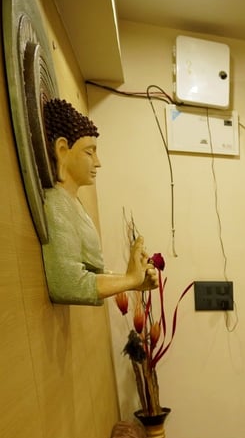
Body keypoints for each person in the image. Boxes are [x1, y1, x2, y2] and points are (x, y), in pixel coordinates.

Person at [41, 98, 158, 305]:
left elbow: (92, 273)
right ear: (62, 150)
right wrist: (129, 280)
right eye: (89, 152)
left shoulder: (74, 203)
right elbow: (67, 284)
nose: (98, 162)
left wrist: (132, 281)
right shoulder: (57, 204)